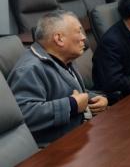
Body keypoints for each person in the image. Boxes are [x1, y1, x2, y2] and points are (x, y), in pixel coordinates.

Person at [8, 10, 108, 147]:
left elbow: (73, 92)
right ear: (59, 39)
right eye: (78, 31)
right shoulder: (29, 69)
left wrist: (95, 98)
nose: (84, 38)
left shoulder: (65, 59)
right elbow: (24, 115)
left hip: (78, 135)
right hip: (56, 148)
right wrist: (71, 105)